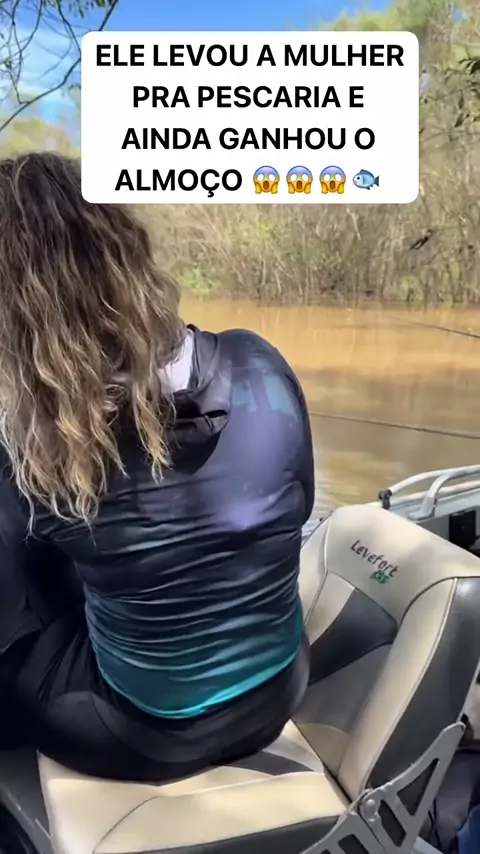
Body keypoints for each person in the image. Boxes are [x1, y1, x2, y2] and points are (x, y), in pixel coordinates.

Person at [0, 152, 314, 782]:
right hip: (281, 690)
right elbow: (299, 502)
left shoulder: (34, 441)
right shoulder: (261, 361)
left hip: (143, 734)